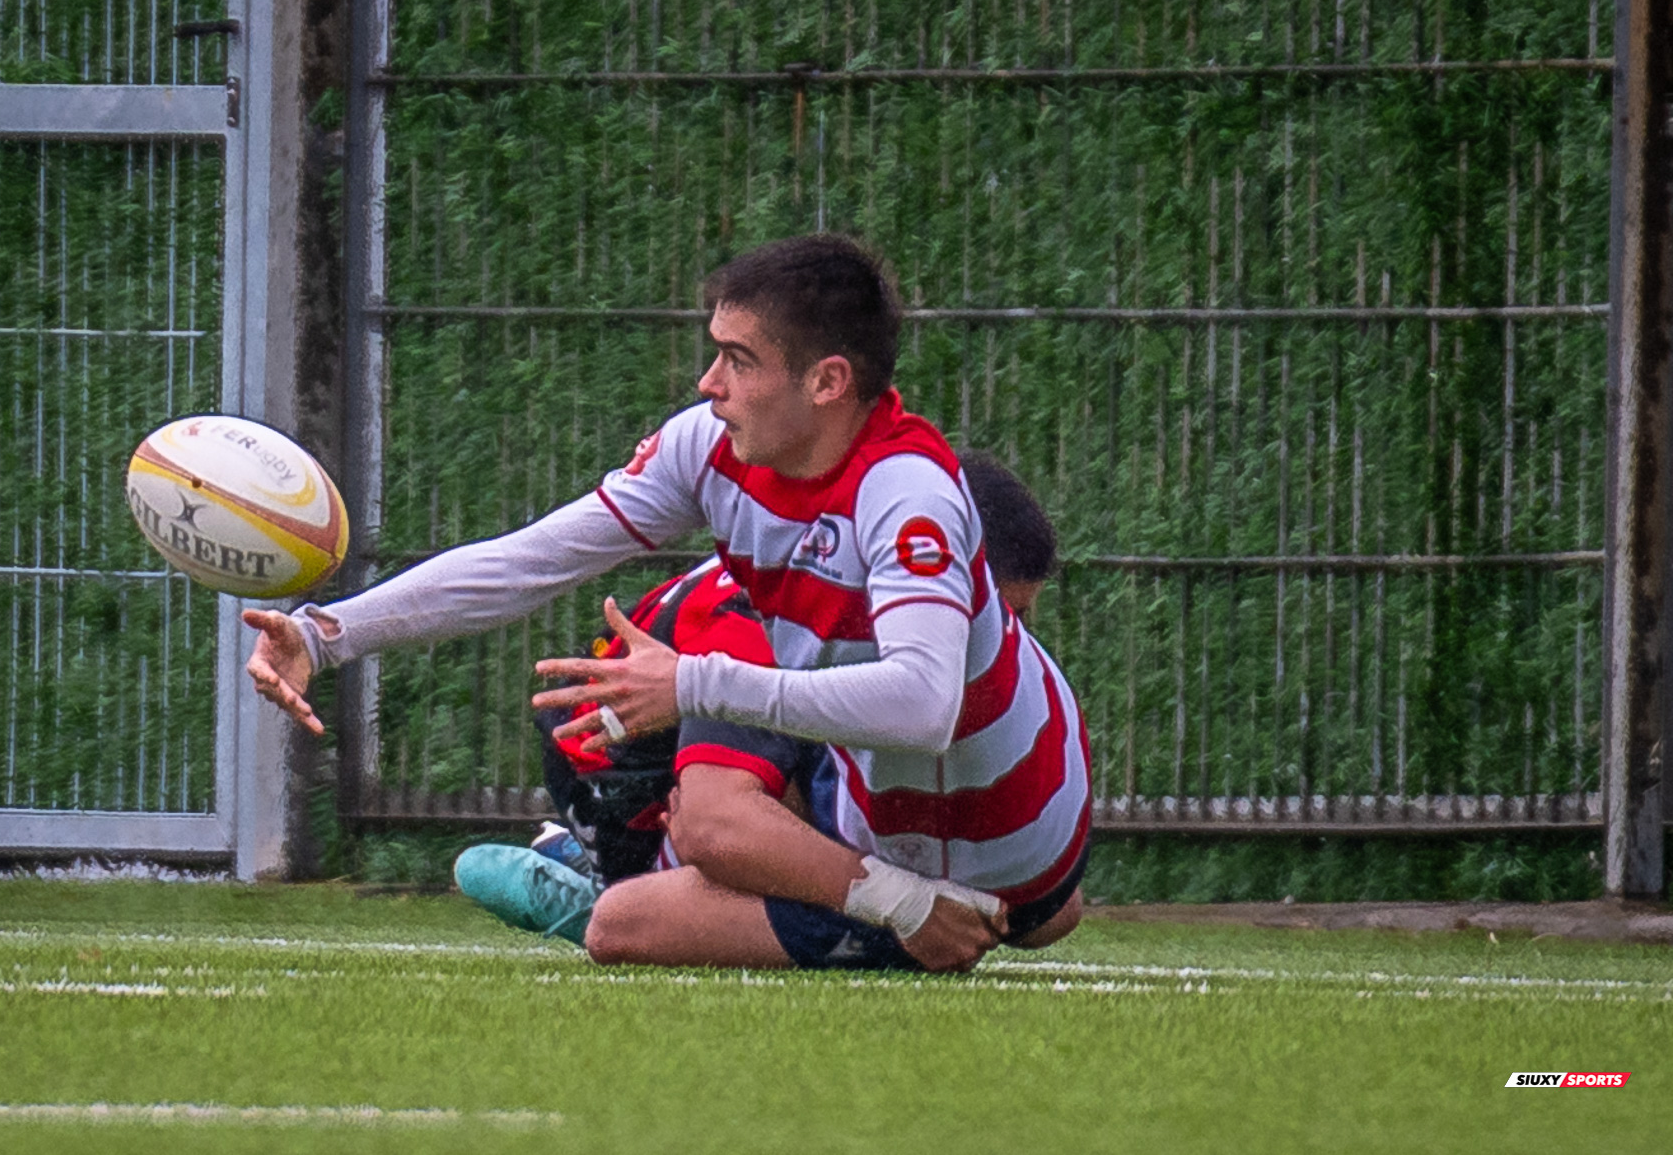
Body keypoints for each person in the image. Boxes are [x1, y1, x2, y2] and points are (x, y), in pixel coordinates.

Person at [243, 233, 1091, 973]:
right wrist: (323, 635)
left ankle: (900, 914)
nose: (707, 380)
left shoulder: (906, 493)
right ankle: (720, 867)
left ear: (829, 381)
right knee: (739, 820)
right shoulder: (711, 448)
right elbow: (529, 560)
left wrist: (692, 686)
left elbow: (925, 704)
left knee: (629, 923)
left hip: (1005, 851)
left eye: (739, 359)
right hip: (883, 806)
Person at [457, 449, 1067, 975]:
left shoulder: (872, 580)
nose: (1000, 647)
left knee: (1040, 911)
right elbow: (712, 824)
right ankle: (614, 883)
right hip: (624, 790)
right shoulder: (779, 614)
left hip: (708, 771)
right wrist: (906, 907)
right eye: (995, 618)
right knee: (639, 908)